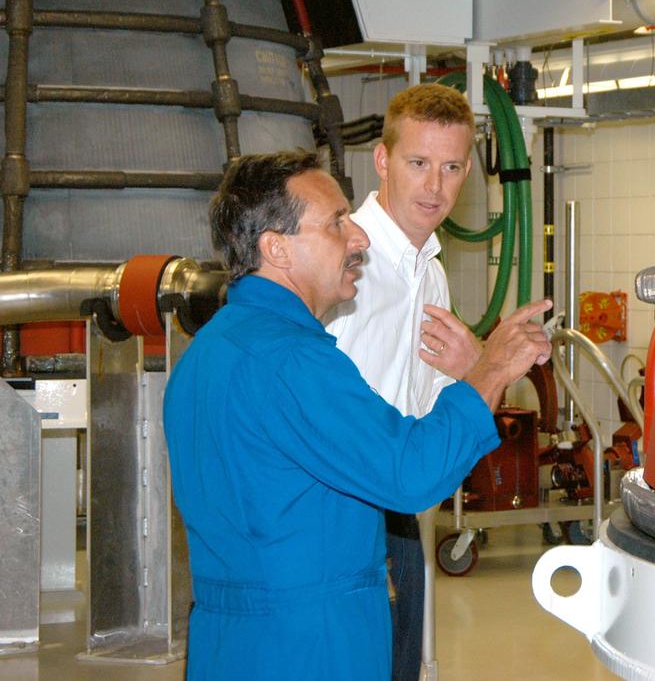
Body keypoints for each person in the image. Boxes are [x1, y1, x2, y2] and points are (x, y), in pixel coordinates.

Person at [164, 150, 551, 680]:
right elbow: (410, 473)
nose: (359, 237)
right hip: (310, 646)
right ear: (275, 248)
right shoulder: (294, 361)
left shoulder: (206, 352)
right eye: (336, 223)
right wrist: (493, 368)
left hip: (226, 643)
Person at [323, 83, 481, 680]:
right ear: (383, 161)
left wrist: (474, 373)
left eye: (451, 168)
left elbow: (428, 412)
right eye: (418, 164)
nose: (435, 187)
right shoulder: (340, 266)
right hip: (332, 517)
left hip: (399, 521)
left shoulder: (431, 277)